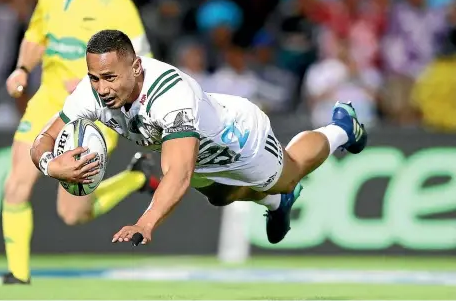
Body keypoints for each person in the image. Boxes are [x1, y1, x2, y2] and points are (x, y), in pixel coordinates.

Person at [30, 30, 368, 246]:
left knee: (288, 174)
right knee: (219, 197)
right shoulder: (90, 94)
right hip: (197, 151)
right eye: (94, 78)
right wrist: (49, 165)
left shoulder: (168, 94)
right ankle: (276, 204)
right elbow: (43, 140)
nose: (102, 89)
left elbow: (178, 173)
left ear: (135, 68)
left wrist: (145, 223)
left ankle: (341, 128)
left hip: (237, 140)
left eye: (109, 77)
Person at [0, 0, 159, 285]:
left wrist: (100, 85)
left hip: (95, 114)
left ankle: (137, 178)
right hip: (46, 105)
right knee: (16, 184)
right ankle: (17, 275)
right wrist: (22, 68)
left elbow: (141, 63)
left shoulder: (117, 4)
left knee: (73, 215)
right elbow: (36, 36)